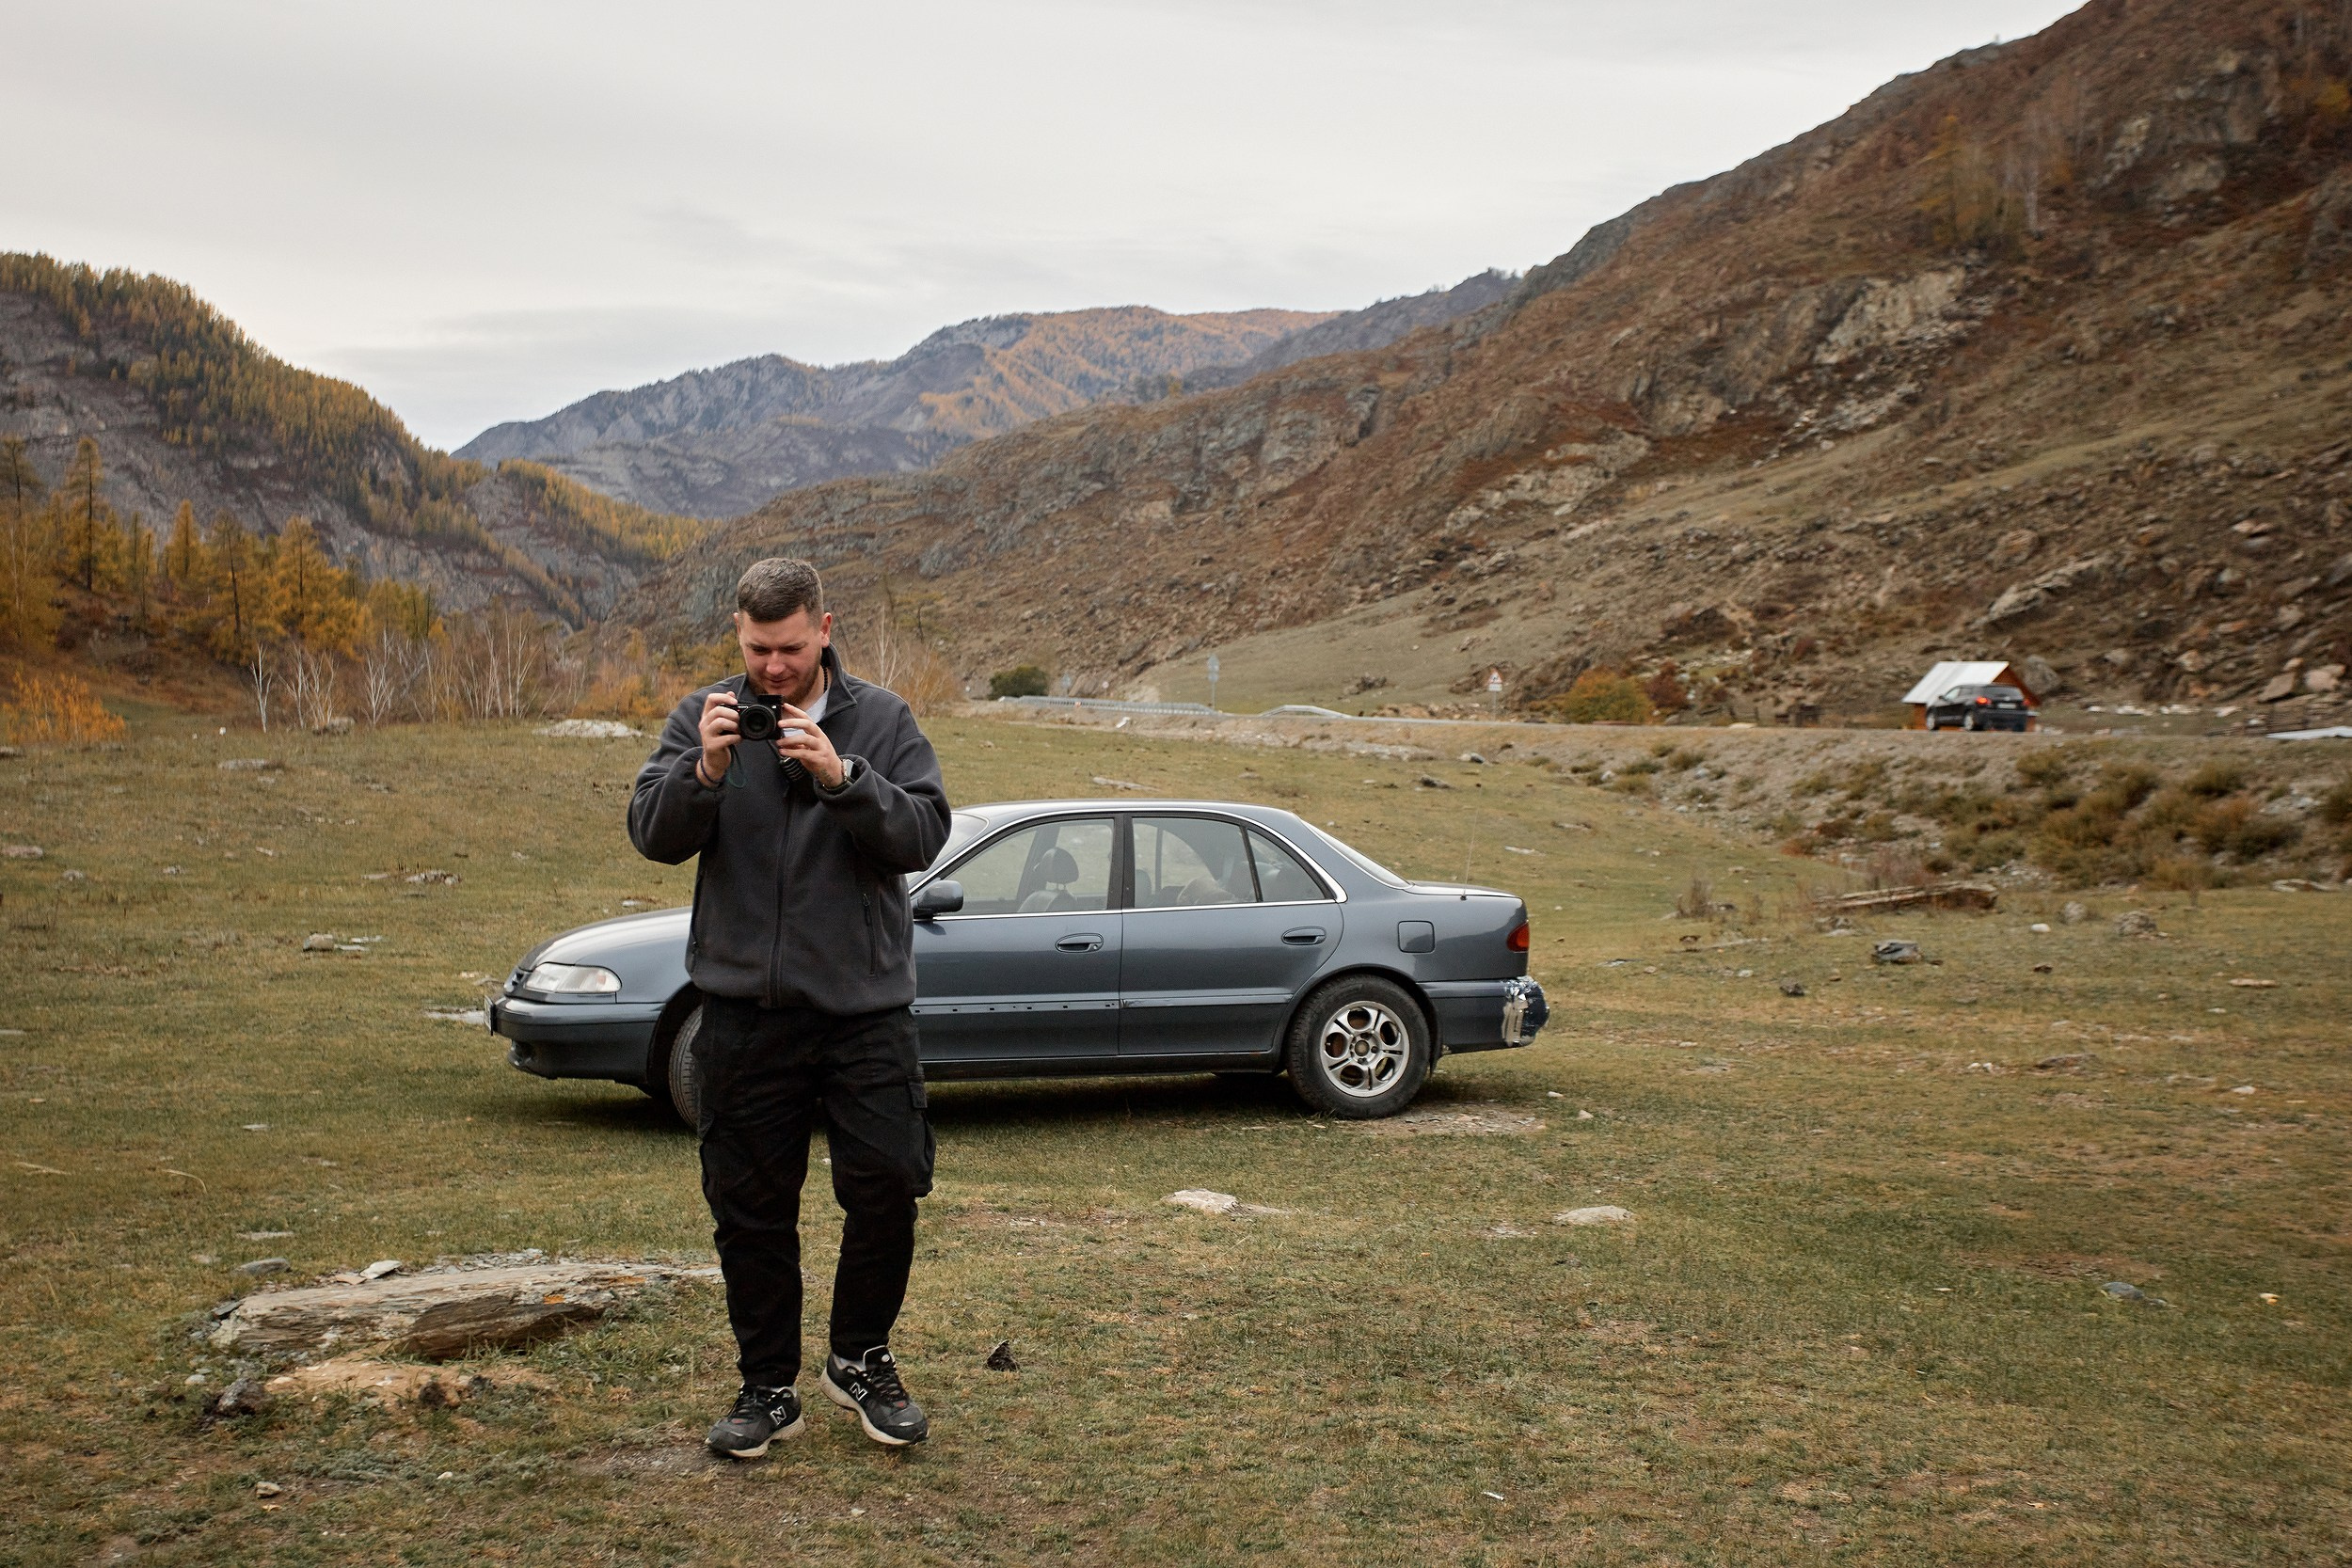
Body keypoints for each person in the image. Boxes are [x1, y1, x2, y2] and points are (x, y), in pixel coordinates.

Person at [628, 557, 951, 1458]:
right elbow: (652, 833)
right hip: (743, 1013)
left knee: (887, 1185)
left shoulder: (881, 719)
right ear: (739, 636)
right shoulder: (705, 715)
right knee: (750, 1208)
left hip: (864, 1011)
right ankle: (767, 1385)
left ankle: (859, 1358)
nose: (773, 668)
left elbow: (925, 832)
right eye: (757, 649)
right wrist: (706, 768)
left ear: (825, 628)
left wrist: (846, 776)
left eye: (791, 648)